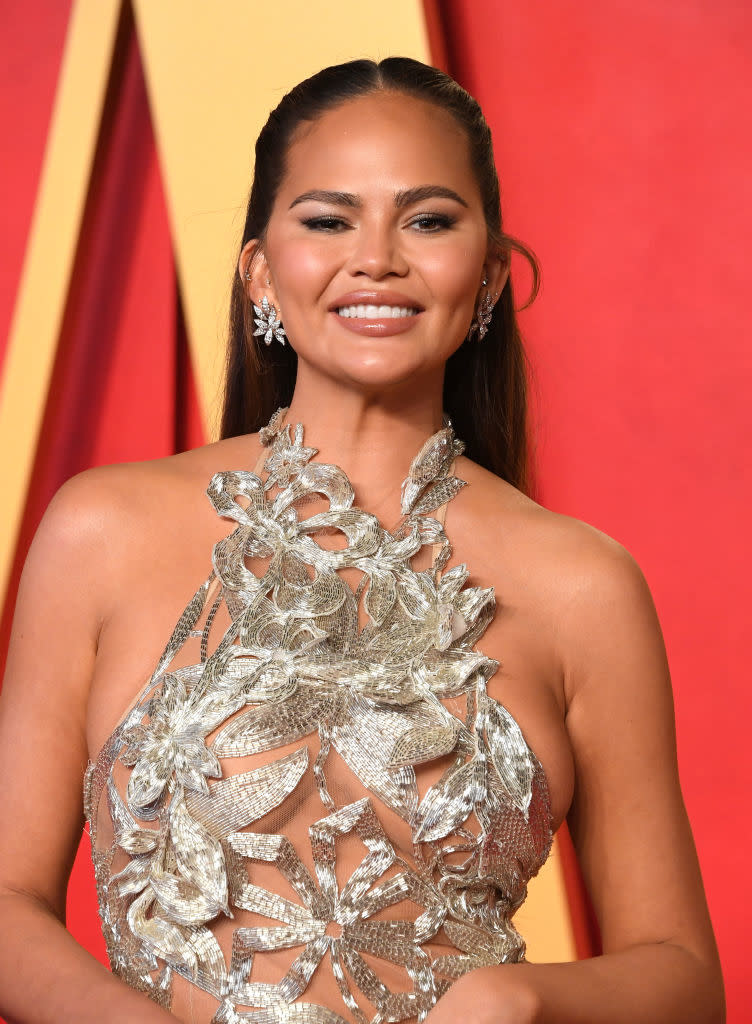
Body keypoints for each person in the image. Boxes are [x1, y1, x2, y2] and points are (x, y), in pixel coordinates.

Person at [0, 57, 724, 1024]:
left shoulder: (581, 584)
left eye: (426, 220)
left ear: (492, 273)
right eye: (328, 219)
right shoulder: (103, 529)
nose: (376, 257)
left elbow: (679, 973)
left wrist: (515, 1002)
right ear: (259, 267)